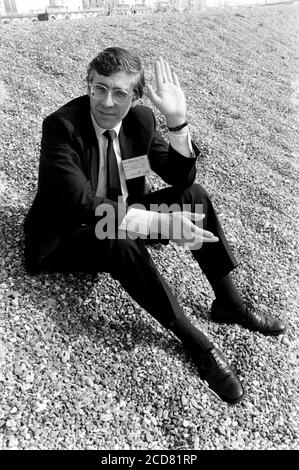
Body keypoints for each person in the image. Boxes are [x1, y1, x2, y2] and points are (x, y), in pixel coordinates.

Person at [24, 47, 286, 404]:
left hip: (120, 213)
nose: (106, 103)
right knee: (118, 235)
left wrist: (178, 122)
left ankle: (229, 304)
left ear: (135, 96)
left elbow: (180, 177)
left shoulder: (140, 121)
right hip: (65, 235)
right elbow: (80, 203)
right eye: (99, 88)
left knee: (193, 195)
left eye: (120, 93)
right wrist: (162, 223)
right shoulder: (61, 126)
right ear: (88, 84)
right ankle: (197, 344)